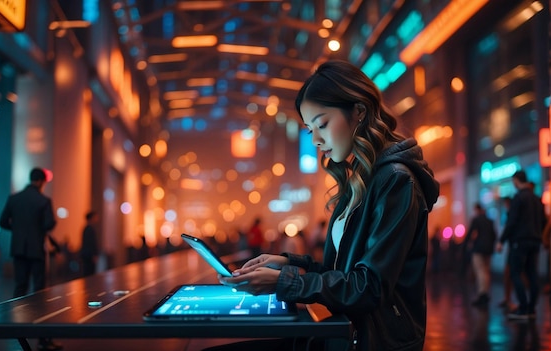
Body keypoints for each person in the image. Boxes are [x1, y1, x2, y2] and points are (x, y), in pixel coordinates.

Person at [213, 60, 440, 351]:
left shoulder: (396, 181)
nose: (317, 140)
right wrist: (289, 263)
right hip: (342, 330)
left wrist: (285, 282)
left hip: (372, 340)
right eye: (310, 130)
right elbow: (342, 270)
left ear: (359, 111)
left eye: (322, 124)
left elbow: (368, 287)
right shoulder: (360, 178)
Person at [0, 167, 62, 351]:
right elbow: (49, 223)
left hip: (19, 249)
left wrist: (19, 231)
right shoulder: (43, 201)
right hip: (36, 250)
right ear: (42, 182)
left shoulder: (14, 199)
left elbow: (3, 222)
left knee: (20, 288)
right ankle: (43, 339)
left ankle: (16, 330)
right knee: (40, 292)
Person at [496, 170, 546, 320]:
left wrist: (501, 240)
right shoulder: (537, 199)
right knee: (532, 273)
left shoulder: (518, 198)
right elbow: (543, 221)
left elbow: (511, 222)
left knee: (515, 272)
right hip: (535, 241)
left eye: (513, 182)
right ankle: (531, 309)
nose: (513, 185)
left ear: (517, 180)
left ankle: (523, 308)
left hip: (520, 241)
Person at [463, 203, 497, 307]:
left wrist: (464, 246)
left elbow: (470, 234)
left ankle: (482, 294)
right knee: (486, 271)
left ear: (477, 210)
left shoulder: (476, 220)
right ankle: (486, 293)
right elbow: (494, 235)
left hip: (478, 248)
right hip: (488, 249)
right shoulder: (490, 221)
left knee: (480, 271)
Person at [80, 211, 100, 276]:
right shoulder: (89, 229)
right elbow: (90, 243)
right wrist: (93, 255)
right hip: (89, 256)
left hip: (88, 255)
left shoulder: (87, 229)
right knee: (89, 273)